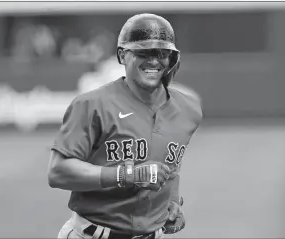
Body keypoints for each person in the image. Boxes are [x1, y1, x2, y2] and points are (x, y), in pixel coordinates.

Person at [48, 13, 203, 239]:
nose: (153, 60)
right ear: (122, 55)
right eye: (143, 52)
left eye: (162, 53)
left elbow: (171, 165)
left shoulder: (188, 110)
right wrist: (127, 175)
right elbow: (57, 172)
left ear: (172, 58)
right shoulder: (91, 105)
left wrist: (171, 202)